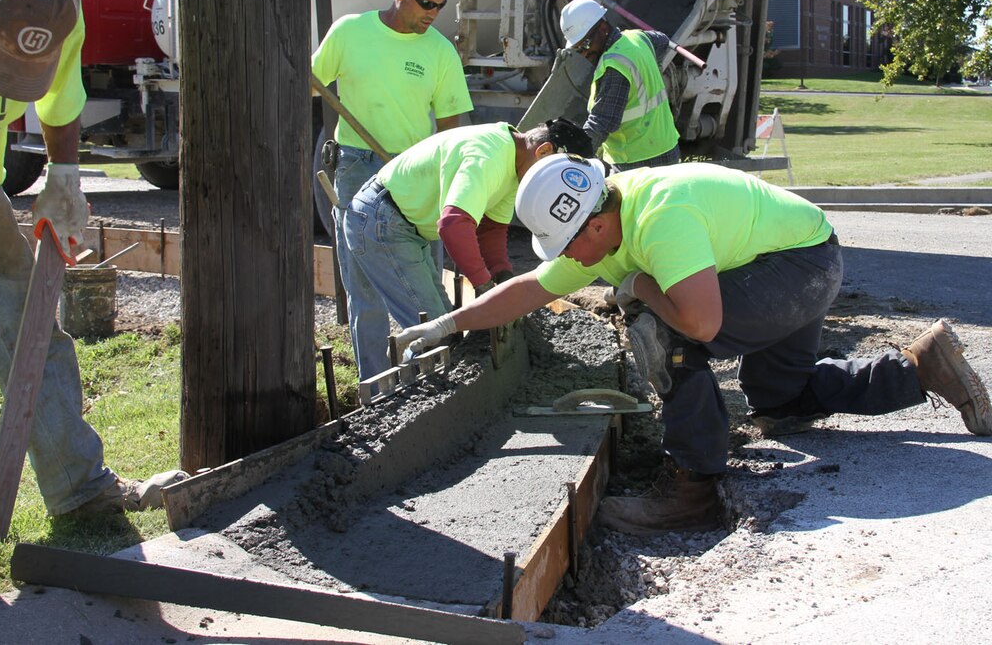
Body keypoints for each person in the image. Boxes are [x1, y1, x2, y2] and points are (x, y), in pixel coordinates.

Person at [395, 154, 992, 533]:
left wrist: (640, 287)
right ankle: (919, 368)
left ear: (595, 225)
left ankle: (692, 488)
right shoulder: (607, 214)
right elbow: (527, 289)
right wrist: (449, 326)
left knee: (663, 328)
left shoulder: (660, 220)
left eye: (568, 246)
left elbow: (702, 324)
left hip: (797, 268)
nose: (566, 261)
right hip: (792, 255)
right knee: (778, 394)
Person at [0, 0, 181, 516]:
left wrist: (64, 178)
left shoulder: (55, 3)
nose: (6, 73)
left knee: (33, 334)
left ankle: (80, 491)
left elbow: (60, 102)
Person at [343, 119, 592, 381]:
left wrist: (503, 278)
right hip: (381, 219)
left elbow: (491, 230)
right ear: (542, 151)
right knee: (434, 334)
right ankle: (414, 407)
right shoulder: (488, 155)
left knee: (441, 325)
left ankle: (423, 395)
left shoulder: (516, 163)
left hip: (401, 225)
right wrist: (485, 287)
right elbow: (453, 225)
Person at [312, 0, 474, 310]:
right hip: (355, 166)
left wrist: (441, 179)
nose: (434, 13)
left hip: (414, 170)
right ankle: (372, 369)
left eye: (440, 5)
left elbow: (450, 127)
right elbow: (312, 84)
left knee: (426, 273)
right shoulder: (349, 32)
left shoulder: (440, 51)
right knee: (362, 284)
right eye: (426, 3)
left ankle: (435, 360)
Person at [560, 0, 680, 169]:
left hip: (636, 161)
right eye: (578, 49)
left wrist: (573, 160)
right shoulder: (636, 38)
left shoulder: (615, 66)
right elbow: (662, 40)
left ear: (603, 28)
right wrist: (652, 67)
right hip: (666, 148)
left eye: (586, 44)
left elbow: (601, 123)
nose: (584, 53)